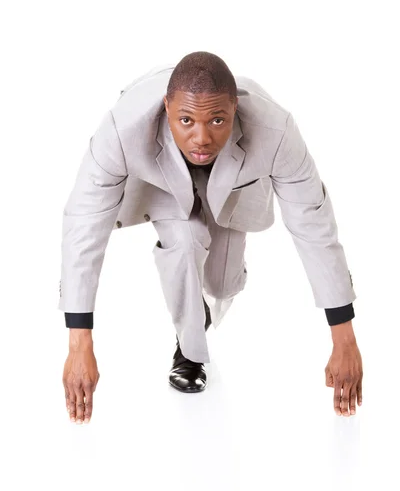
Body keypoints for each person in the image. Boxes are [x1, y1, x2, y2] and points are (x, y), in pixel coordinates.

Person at [60, 51, 363, 424]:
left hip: (234, 187)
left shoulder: (276, 131)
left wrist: (343, 337)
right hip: (163, 183)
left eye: (217, 119)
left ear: (235, 108)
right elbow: (83, 225)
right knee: (186, 242)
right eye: (185, 120)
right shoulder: (122, 130)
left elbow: (313, 224)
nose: (201, 138)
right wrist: (79, 342)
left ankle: (204, 301)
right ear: (166, 107)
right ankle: (190, 350)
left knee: (222, 283)